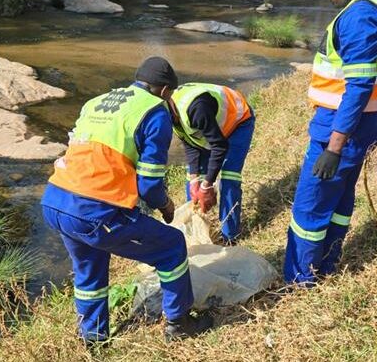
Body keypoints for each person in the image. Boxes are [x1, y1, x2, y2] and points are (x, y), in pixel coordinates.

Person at [40, 56, 212, 346]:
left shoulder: (96, 102)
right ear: (165, 91)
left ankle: (92, 339)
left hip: (55, 200)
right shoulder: (154, 112)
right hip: (93, 210)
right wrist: (166, 206)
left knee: (89, 271)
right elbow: (149, 185)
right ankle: (179, 323)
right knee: (171, 246)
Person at [283, 0, 377, 285]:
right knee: (340, 197)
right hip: (363, 123)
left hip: (341, 128)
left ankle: (300, 280)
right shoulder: (374, 1)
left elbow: (358, 86)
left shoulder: (359, 15)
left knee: (310, 207)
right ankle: (327, 265)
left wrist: (333, 146)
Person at [169, 82, 255, 245]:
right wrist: (196, 181)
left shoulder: (195, 108)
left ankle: (230, 237)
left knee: (229, 178)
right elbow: (190, 144)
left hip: (238, 121)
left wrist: (207, 186)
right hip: (214, 126)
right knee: (193, 184)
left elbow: (219, 146)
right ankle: (197, 233)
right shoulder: (170, 113)